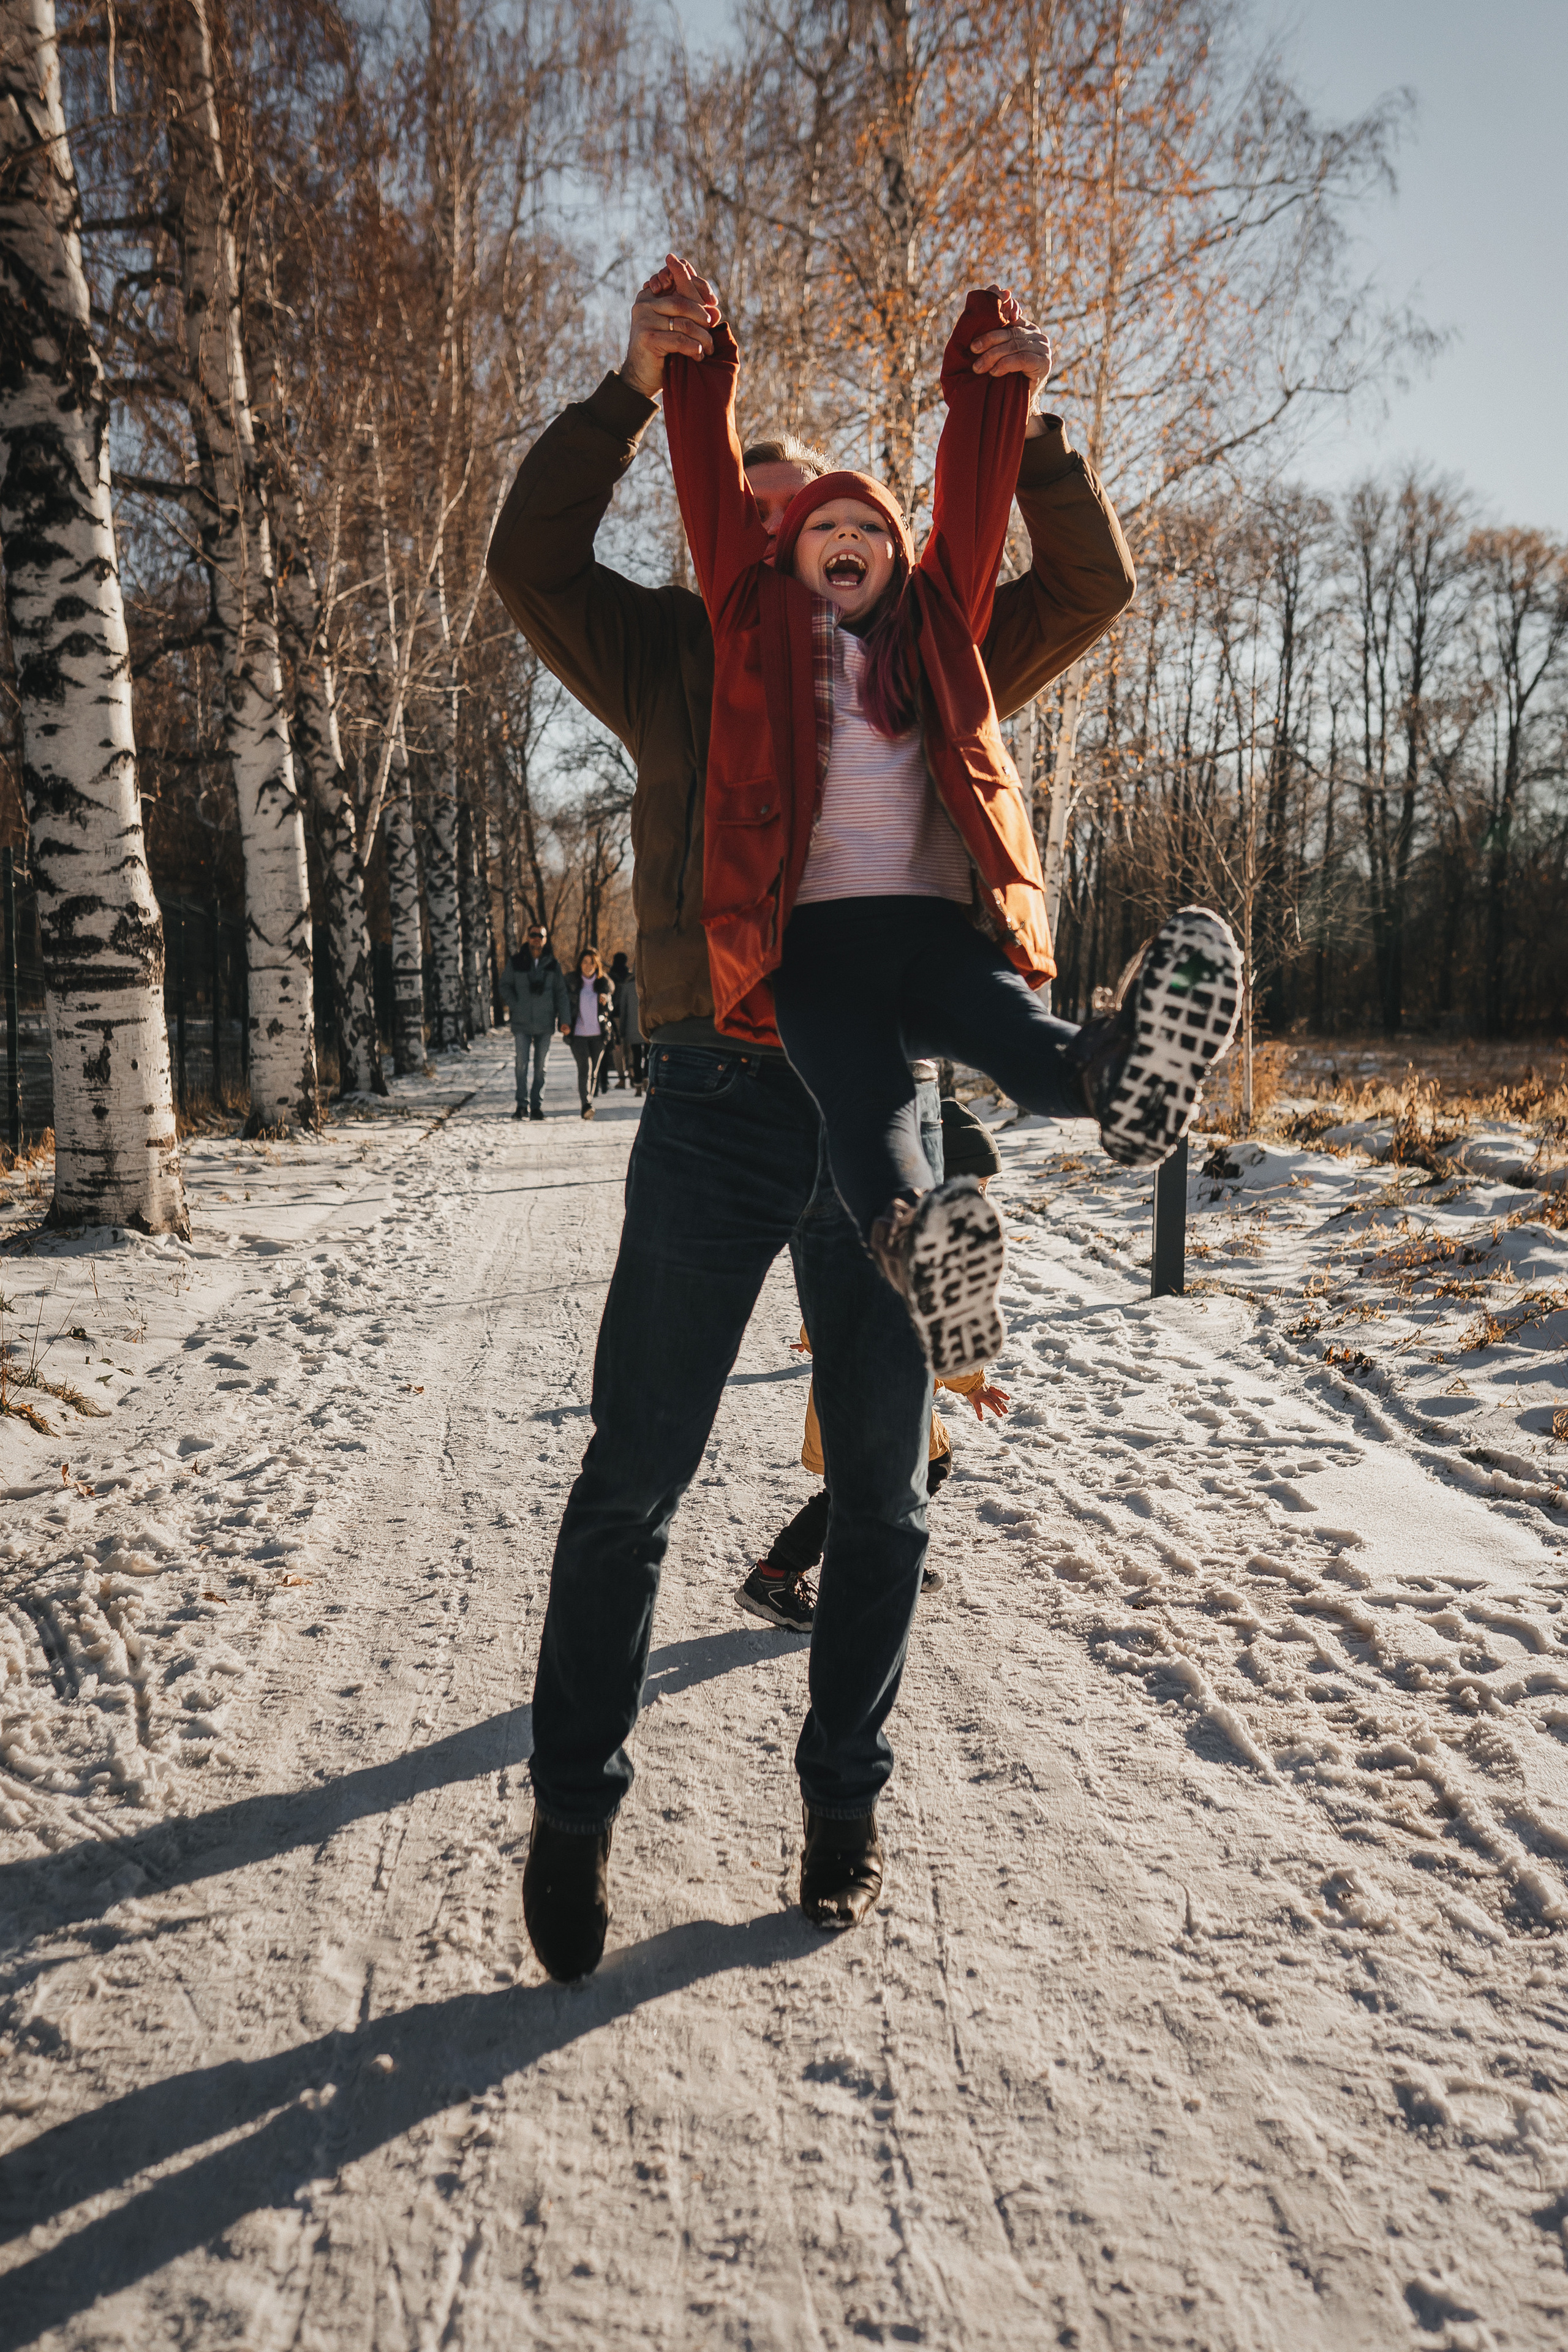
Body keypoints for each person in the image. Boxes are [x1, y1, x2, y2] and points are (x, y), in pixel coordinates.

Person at [485, 252, 1135, 1979]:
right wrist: (631, 393)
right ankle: (574, 1806)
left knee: (886, 1501)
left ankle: (842, 1806)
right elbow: (527, 560)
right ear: (738, 542)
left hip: (884, 1109)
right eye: (764, 512)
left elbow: (1084, 582)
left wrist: (1026, 422)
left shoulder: (916, 647)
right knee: (634, 1473)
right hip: (717, 1098)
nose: (790, 531)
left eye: (820, 513)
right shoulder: (673, 647)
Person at [662, 255, 1242, 1380]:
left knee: (1021, 1036)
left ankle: (1117, 1081)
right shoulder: (751, 626)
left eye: (870, 528)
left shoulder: (939, 628)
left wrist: (995, 382)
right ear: (784, 555)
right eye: (823, 527)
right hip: (808, 950)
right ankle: (922, 1246)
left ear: (898, 556)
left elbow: (971, 504)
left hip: (932, 934)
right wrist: (699, 363)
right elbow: (706, 487)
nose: (847, 538)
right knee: (868, 1107)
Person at [741, 1098, 1010, 1630]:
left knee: (902, 1477)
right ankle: (775, 1575)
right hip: (877, 1397)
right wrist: (973, 1384)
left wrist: (813, 1337)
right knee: (867, 1490)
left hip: (867, 1392)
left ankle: (889, 1552)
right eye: (974, 1188)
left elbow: (828, 1303)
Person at [500, 922, 570, 1120]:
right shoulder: (516, 962)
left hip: (545, 1023)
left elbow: (561, 994)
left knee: (541, 1067)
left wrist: (565, 1020)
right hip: (521, 1023)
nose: (537, 938)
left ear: (545, 939)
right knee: (521, 1065)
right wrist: (516, 1005)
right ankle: (522, 1105)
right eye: (533, 935)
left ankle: (537, 1106)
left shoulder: (553, 965)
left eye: (541, 935)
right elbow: (504, 985)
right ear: (528, 937)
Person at [567, 948, 614, 1118]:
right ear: (580, 964)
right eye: (585, 962)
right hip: (578, 1034)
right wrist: (564, 1024)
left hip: (599, 1034)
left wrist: (606, 1001)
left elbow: (610, 1009)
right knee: (584, 1068)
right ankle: (586, 1104)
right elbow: (565, 1006)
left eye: (592, 963)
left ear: (597, 965)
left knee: (594, 1071)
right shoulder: (572, 984)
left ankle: (589, 1102)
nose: (588, 966)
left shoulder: (604, 984)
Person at [608, 951, 645, 1092]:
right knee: (632, 1050)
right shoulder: (630, 978)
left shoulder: (611, 977)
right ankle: (633, 1074)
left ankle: (622, 1078)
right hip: (631, 1016)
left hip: (615, 1016)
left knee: (618, 1050)